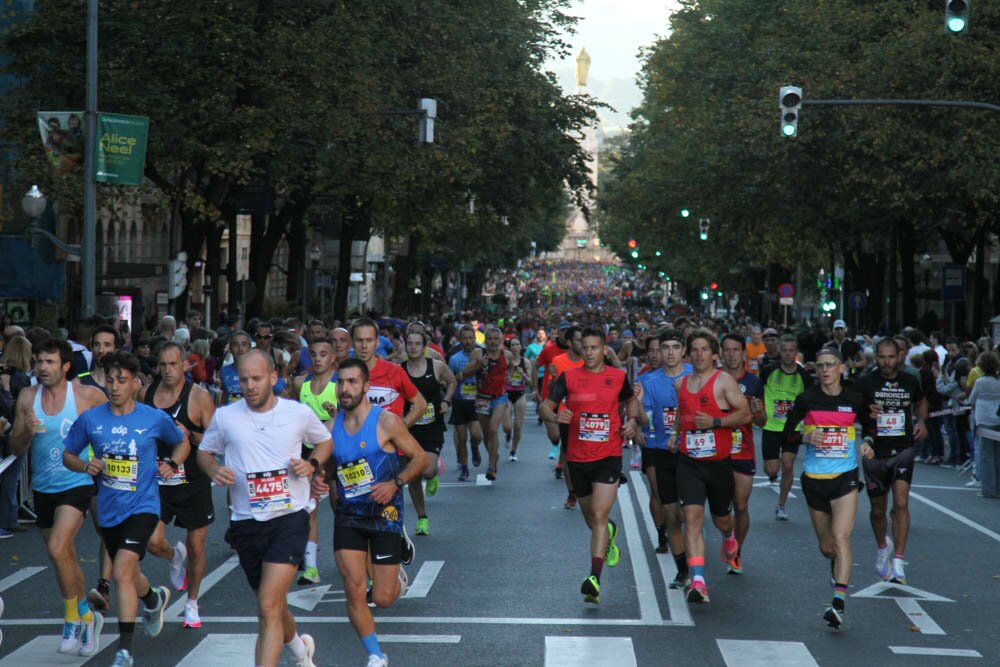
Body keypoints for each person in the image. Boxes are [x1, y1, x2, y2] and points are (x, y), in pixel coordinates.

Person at [198, 349, 331, 667]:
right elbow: (205, 452)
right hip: (246, 523)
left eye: (257, 378)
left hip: (289, 519)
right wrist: (213, 469)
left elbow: (324, 442)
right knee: (271, 602)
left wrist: (311, 464)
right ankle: (300, 650)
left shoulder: (296, 413)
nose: (250, 385)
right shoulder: (226, 416)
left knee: (267, 605)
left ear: (273, 377)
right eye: (244, 379)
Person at [63, 351, 187, 667]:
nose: (115, 386)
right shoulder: (92, 418)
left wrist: (173, 463)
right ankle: (153, 598)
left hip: (144, 506)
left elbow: (182, 440)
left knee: (120, 572)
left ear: (135, 383)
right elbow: (68, 455)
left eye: (122, 380)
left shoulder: (152, 418)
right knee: (131, 573)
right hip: (108, 510)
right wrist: (85, 465)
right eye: (110, 380)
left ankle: (124, 650)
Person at [312, 358, 428, 667]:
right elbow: (327, 465)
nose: (345, 389)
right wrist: (319, 481)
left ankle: (398, 571)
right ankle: (376, 654)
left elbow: (420, 458)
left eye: (352, 382)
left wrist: (396, 483)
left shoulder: (386, 422)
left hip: (385, 515)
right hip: (348, 515)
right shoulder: (329, 428)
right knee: (353, 589)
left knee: (383, 598)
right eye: (342, 383)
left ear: (365, 386)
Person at [9, 338, 108, 657]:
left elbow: (113, 425)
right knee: (62, 557)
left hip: (77, 480)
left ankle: (70, 621)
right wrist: (27, 430)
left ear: (66, 366)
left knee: (58, 546)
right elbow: (15, 446)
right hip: (43, 487)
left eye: (50, 362)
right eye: (39, 361)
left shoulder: (86, 395)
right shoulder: (27, 396)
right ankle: (88, 616)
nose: (42, 367)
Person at [539, 327, 640, 605]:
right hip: (577, 458)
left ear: (604, 349)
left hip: (608, 456)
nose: (590, 353)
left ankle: (594, 578)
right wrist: (557, 416)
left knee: (598, 513)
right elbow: (545, 407)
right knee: (592, 520)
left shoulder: (618, 377)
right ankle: (609, 532)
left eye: (595, 348)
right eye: (585, 348)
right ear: (580, 349)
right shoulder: (568, 377)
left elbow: (631, 401)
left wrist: (631, 422)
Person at [782, 347, 869, 629]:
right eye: (819, 365)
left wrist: (869, 441)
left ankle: (838, 603)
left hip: (845, 477)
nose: (825, 370)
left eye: (830, 365)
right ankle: (833, 564)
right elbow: (787, 433)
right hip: (814, 480)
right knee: (827, 546)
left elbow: (870, 424)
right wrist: (806, 437)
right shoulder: (807, 399)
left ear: (842, 367)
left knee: (842, 537)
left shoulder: (854, 397)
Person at [139, 342, 217, 628]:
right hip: (157, 479)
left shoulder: (199, 397)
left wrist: (190, 434)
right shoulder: (146, 394)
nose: (168, 370)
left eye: (174, 364)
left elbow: (214, 441)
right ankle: (175, 556)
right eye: (163, 365)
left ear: (184, 364)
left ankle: (192, 604)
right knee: (152, 541)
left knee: (197, 545)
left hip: (192, 479)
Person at [671, 331, 751, 604]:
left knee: (721, 518)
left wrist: (716, 423)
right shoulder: (681, 384)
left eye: (704, 349)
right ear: (688, 354)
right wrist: (675, 433)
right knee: (691, 520)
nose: (699, 354)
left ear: (714, 354)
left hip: (717, 464)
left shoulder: (724, 381)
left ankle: (729, 536)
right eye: (694, 349)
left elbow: (745, 413)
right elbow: (683, 414)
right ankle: (698, 581)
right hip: (688, 462)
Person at [856, 338, 927, 585]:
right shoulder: (866, 383)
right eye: (882, 357)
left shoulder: (909, 381)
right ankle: (882, 547)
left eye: (891, 357)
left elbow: (921, 401)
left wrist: (921, 422)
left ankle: (898, 559)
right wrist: (867, 412)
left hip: (903, 450)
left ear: (899, 357)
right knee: (877, 510)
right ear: (876, 357)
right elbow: (855, 411)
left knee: (900, 503)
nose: (887, 362)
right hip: (875, 452)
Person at [634, 329, 691, 587]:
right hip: (661, 450)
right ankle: (683, 570)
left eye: (674, 347)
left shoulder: (696, 375)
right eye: (665, 347)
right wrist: (637, 414)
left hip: (693, 452)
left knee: (693, 513)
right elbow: (645, 419)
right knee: (672, 513)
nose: (669, 352)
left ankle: (698, 566)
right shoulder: (648, 381)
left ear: (683, 350)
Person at [401, 330, 456, 536]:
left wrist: (446, 401)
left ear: (424, 347)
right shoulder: (400, 370)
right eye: (410, 343)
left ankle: (434, 472)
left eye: (417, 344)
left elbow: (452, 381)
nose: (413, 347)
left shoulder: (436, 366)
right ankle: (422, 518)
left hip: (432, 426)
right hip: (409, 428)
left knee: (426, 471)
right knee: (414, 474)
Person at [720, 334, 765, 574]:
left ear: (744, 353)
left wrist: (757, 413)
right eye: (727, 350)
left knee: (741, 505)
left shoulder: (754, 382)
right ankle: (728, 536)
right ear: (721, 353)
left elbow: (762, 421)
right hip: (717, 450)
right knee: (721, 507)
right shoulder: (714, 379)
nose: (731, 354)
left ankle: (737, 551)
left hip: (743, 451)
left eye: (736, 350)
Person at [760, 334, 812, 519]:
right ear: (780, 352)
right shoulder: (768, 370)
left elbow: (808, 401)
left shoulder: (804, 376)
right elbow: (760, 392)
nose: (788, 354)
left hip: (792, 428)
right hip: (771, 427)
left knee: (788, 465)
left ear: (796, 352)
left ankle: (781, 506)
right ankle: (773, 474)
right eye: (785, 351)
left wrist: (807, 424)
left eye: (792, 351)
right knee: (772, 469)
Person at [455, 326, 513, 481]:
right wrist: (479, 365)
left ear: (501, 340)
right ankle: (494, 454)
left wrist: (508, 379)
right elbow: (465, 373)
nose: (493, 342)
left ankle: (492, 467)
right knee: (487, 434)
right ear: (485, 341)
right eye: (490, 339)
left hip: (499, 397)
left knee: (493, 429)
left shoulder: (506, 355)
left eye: (496, 339)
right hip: (481, 398)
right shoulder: (477, 353)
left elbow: (512, 370)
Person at [0, 335, 33, 538]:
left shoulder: (4, 373)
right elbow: (16, 408)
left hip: (4, 428)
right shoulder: (22, 378)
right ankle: (7, 520)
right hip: (14, 431)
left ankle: (10, 517)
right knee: (11, 478)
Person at [447, 326, 483, 481]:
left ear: (475, 338)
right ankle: (465, 467)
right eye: (465, 338)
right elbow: (449, 380)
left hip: (476, 401)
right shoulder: (454, 359)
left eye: (471, 338)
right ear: (460, 340)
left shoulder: (482, 354)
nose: (468, 341)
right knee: (461, 437)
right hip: (459, 401)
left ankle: (475, 447)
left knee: (476, 435)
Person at [502, 337, 532, 461]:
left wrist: (523, 374)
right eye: (512, 345)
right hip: (507, 394)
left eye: (517, 344)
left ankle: (513, 451)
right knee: (507, 426)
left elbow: (531, 382)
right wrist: (507, 379)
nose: (515, 347)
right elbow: (499, 379)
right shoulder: (505, 362)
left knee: (518, 425)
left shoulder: (525, 362)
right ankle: (508, 434)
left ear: (520, 347)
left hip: (520, 394)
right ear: (510, 348)